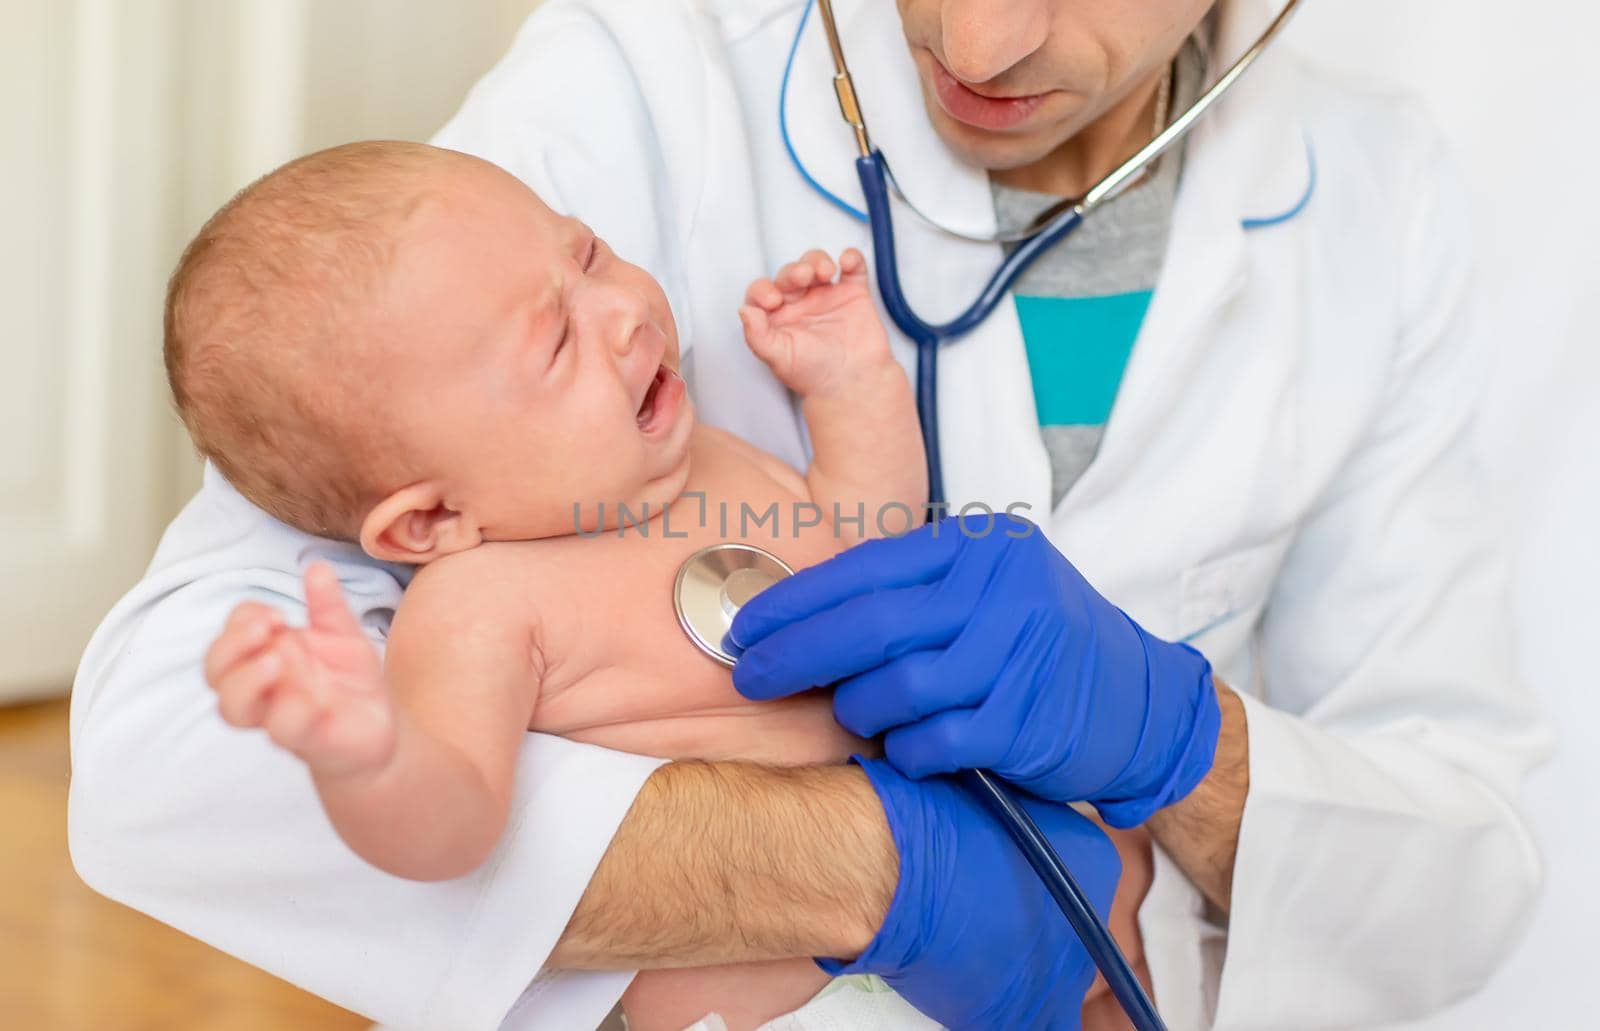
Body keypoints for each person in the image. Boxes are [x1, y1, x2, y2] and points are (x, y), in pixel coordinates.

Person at [70, 1, 1551, 1028]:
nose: (977, 46)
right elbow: (168, 768)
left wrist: (1187, 746)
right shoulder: (636, 83)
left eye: (593, 261)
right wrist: (881, 865)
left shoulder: (1382, 195)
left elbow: (1466, 867)